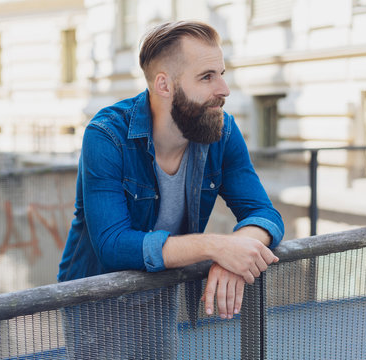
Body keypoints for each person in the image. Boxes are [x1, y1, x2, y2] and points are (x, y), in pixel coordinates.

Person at [58, 20, 284, 358]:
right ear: (164, 84)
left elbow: (264, 214)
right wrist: (215, 247)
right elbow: (114, 244)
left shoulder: (223, 131)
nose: (224, 88)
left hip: (160, 287)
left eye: (221, 73)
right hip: (96, 296)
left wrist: (235, 249)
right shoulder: (106, 135)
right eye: (207, 77)